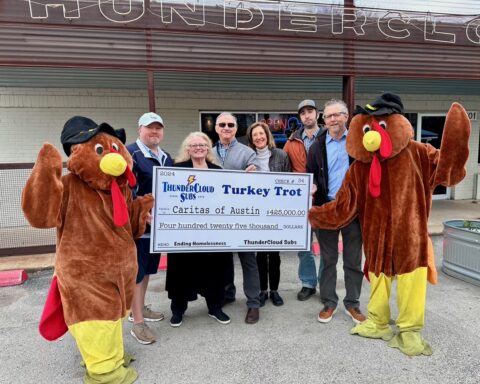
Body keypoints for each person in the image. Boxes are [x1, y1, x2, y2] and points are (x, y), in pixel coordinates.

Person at [306, 99, 365, 324]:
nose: (332, 119)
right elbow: (310, 174)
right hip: (327, 208)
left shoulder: (359, 142)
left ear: (346, 116)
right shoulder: (317, 146)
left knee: (352, 260)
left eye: (337, 115)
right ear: (324, 119)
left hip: (354, 210)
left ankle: (353, 304)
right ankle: (329, 302)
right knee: (328, 260)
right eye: (328, 116)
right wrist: (311, 188)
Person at [166, 132, 231, 326]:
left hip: (212, 231)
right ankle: (178, 310)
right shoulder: (176, 170)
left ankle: (215, 307)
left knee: (214, 269)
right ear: (187, 149)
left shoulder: (218, 171)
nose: (198, 148)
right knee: (181, 269)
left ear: (208, 148)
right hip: (184, 231)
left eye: (202, 144)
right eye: (194, 145)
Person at [126, 112, 173, 344]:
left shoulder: (166, 157)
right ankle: (137, 323)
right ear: (139, 130)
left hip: (158, 229)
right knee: (137, 273)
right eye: (149, 128)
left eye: (158, 128)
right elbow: (125, 191)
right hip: (139, 228)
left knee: (145, 273)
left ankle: (140, 308)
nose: (154, 132)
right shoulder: (130, 154)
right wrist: (140, 213)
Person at [213, 112, 262, 324]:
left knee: (248, 260)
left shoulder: (247, 152)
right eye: (222, 124)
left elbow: (259, 175)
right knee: (223, 260)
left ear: (236, 128)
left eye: (230, 124)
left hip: (243, 216)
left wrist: (255, 172)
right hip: (217, 216)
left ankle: (253, 303)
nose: (226, 127)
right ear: (216, 127)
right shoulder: (208, 151)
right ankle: (227, 293)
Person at [246, 122, 291, 306]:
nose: (258, 137)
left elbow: (290, 181)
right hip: (256, 213)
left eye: (261, 134)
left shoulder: (281, 155)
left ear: (267, 135)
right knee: (260, 255)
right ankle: (262, 291)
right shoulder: (248, 158)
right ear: (251, 139)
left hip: (276, 212)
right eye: (255, 135)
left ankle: (275, 290)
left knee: (274, 254)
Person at [283, 100, 324, 301]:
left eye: (310, 111)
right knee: (303, 246)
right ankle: (308, 283)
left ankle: (326, 283)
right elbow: (283, 169)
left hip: (324, 201)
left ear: (317, 114)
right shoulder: (291, 142)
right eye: (303, 113)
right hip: (301, 203)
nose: (307, 115)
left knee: (327, 247)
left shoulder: (328, 137)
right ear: (299, 117)